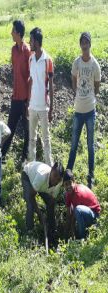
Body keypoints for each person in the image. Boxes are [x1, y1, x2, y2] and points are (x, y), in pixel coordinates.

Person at [66, 32, 101, 189]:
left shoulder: (95, 65)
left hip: (90, 111)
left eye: (87, 42)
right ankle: (68, 173)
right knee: (73, 144)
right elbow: (73, 79)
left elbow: (97, 87)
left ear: (90, 44)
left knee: (90, 145)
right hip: (78, 111)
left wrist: (89, 96)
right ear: (80, 45)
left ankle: (91, 175)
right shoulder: (76, 63)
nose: (84, 45)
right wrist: (77, 92)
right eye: (82, 42)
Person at [1, 20, 31, 165]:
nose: (11, 33)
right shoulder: (13, 50)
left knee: (27, 130)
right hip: (15, 97)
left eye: (13, 30)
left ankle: (24, 158)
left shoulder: (27, 51)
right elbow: (15, 72)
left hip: (25, 99)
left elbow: (31, 76)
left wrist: (29, 100)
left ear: (19, 33)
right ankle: (1, 156)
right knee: (9, 129)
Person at [27, 27, 54, 166]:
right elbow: (31, 82)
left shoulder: (47, 60)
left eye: (31, 40)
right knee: (32, 138)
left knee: (46, 139)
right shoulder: (31, 59)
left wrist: (52, 108)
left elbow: (51, 86)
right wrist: (27, 103)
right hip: (32, 106)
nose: (29, 42)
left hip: (44, 107)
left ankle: (50, 168)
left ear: (36, 42)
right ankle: (31, 166)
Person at [22, 161, 64, 246]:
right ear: (51, 171)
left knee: (51, 204)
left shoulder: (59, 183)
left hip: (41, 187)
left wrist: (49, 218)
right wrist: (40, 214)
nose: (55, 181)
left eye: (58, 179)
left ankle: (52, 232)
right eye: (55, 176)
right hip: (28, 175)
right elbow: (31, 196)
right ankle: (30, 233)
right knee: (30, 206)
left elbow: (52, 200)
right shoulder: (41, 176)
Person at [63, 169, 101, 239]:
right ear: (63, 186)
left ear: (74, 182)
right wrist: (66, 232)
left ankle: (81, 238)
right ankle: (81, 234)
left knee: (78, 210)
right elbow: (69, 214)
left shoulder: (78, 193)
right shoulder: (68, 193)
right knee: (77, 212)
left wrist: (72, 231)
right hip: (86, 214)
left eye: (69, 183)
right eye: (66, 184)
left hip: (95, 216)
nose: (68, 186)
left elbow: (74, 215)